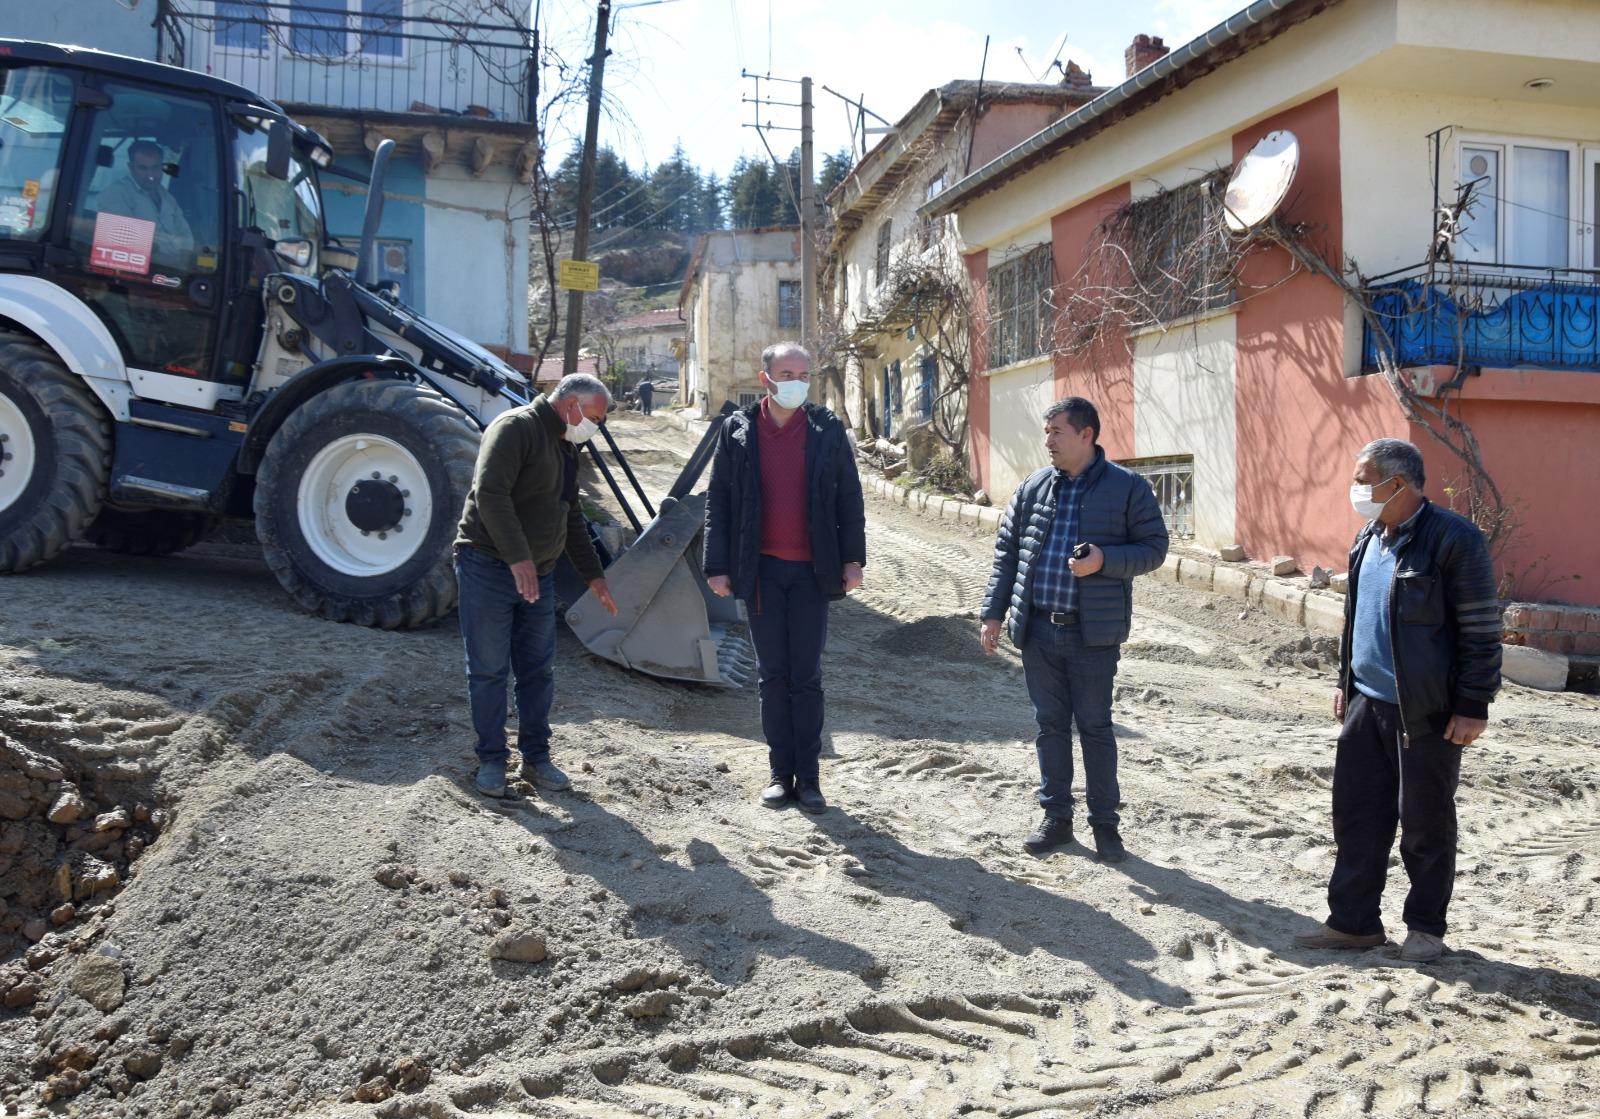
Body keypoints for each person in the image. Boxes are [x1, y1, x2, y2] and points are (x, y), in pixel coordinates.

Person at [1295, 438, 1501, 963]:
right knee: (1357, 816)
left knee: (1425, 821)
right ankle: (1354, 923)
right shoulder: (1369, 536)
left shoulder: (1454, 539)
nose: (1357, 488)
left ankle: (1426, 928)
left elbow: (1481, 628)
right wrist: (1346, 681)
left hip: (1426, 711)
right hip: (1367, 703)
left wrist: (1473, 703)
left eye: (1365, 478)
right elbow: (1356, 619)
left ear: (1398, 484)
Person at [980, 397, 1168, 862]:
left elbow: (1154, 547)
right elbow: (1008, 554)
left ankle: (1106, 826)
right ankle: (1056, 819)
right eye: (1046, 432)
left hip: (1092, 635)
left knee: (1096, 729)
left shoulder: (1127, 489)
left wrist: (1106, 561)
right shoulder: (1034, 487)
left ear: (1086, 435)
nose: (1048, 441)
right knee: (1049, 727)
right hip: (1039, 632)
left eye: (1057, 432)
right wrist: (993, 612)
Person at [704, 341, 866, 813]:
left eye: (804, 373)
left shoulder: (826, 428)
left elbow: (848, 498)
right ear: (766, 379)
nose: (797, 381)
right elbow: (720, 500)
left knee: (807, 675)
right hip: (761, 574)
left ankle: (810, 780)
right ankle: (779, 774)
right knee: (773, 674)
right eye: (787, 372)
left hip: (813, 572)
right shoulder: (737, 431)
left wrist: (852, 559)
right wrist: (718, 565)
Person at [454, 374, 619, 798]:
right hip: (489, 565)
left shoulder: (565, 446)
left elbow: (570, 516)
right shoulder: (515, 428)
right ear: (571, 405)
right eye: (595, 418)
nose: (595, 428)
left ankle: (536, 758)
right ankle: (491, 760)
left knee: (537, 670)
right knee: (489, 669)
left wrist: (594, 575)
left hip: (537, 572)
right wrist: (517, 558)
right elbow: (490, 495)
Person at [96, 140, 195, 268]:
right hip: (136, 274)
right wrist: (173, 262)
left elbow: (184, 233)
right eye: (143, 168)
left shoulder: (166, 196)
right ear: (131, 167)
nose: (151, 176)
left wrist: (184, 260)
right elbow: (122, 246)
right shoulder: (115, 194)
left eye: (155, 167)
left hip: (173, 271)